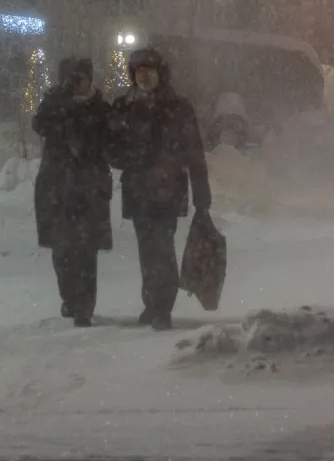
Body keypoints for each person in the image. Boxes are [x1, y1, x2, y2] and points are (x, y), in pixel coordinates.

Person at [108, 47, 211, 331]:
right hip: (138, 189)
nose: (143, 76)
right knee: (146, 248)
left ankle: (162, 307)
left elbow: (194, 152)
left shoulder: (178, 107)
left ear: (160, 74)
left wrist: (202, 192)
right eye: (137, 71)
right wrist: (129, 158)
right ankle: (151, 302)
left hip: (168, 189)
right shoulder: (123, 106)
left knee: (162, 247)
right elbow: (111, 148)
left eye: (148, 70)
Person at [32, 57, 113, 326]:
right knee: (62, 250)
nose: (76, 83)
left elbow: (107, 142)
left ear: (90, 79)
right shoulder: (55, 103)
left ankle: (84, 308)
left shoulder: (100, 108)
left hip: (89, 188)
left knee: (86, 250)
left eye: (80, 78)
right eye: (70, 78)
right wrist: (62, 98)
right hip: (57, 187)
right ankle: (69, 297)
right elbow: (40, 124)